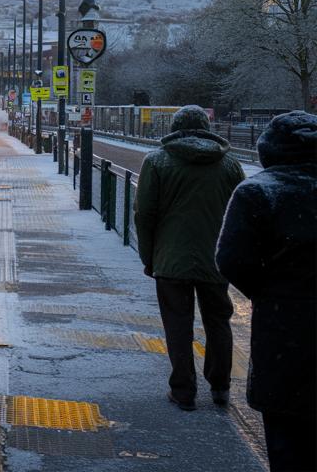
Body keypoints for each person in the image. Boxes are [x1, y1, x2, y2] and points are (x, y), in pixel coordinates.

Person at [216, 111, 316, 471]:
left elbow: (230, 259)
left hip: (283, 333)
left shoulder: (258, 192)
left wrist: (272, 293)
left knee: (287, 438)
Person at [135, 105, 245, 411]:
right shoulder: (230, 165)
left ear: (174, 127)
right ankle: (221, 387)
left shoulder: (156, 161)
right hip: (215, 259)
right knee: (218, 322)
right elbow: (240, 215)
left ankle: (183, 391)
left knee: (177, 324)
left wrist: (149, 257)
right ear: (206, 128)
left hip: (171, 260)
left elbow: (144, 214)